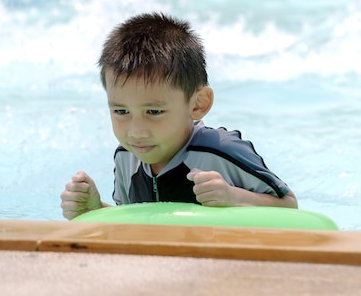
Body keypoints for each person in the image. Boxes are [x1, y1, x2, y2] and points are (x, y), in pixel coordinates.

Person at [60, 12, 297, 220]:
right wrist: (93, 210)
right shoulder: (127, 157)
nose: (136, 132)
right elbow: (137, 222)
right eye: (121, 111)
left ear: (198, 105)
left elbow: (289, 206)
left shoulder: (221, 152)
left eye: (153, 112)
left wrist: (234, 197)